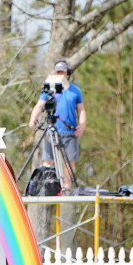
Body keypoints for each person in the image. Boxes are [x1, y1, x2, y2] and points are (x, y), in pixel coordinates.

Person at [28, 59, 87, 191]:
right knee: (47, 159)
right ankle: (47, 186)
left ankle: (67, 187)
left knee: (69, 161)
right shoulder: (49, 89)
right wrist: (33, 119)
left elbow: (81, 110)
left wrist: (82, 125)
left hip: (69, 131)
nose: (60, 74)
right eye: (58, 71)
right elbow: (39, 105)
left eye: (62, 71)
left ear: (67, 73)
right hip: (51, 131)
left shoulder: (75, 90)